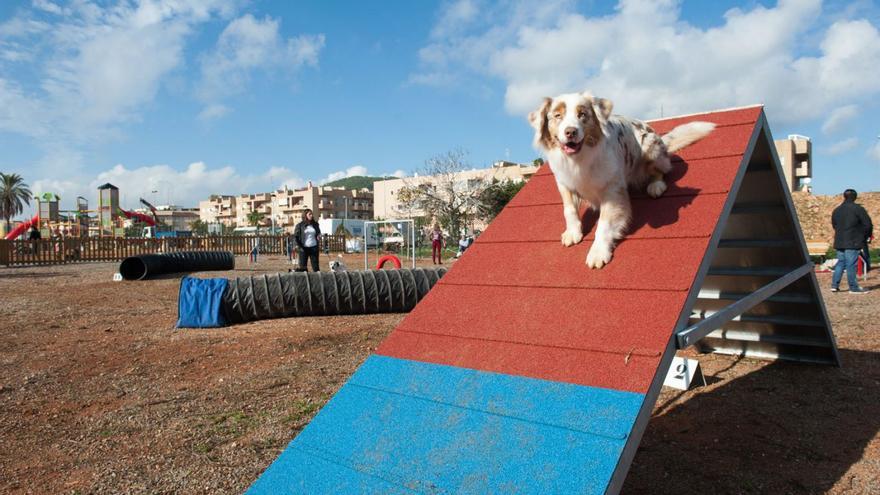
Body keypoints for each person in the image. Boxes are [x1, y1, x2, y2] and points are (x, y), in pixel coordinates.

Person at [831, 189, 873, 294]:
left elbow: (834, 225)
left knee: (841, 262)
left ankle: (834, 286)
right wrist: (865, 236)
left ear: (844, 197)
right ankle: (853, 288)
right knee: (851, 264)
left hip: (840, 240)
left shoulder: (837, 210)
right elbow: (867, 224)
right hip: (853, 240)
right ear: (855, 197)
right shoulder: (858, 209)